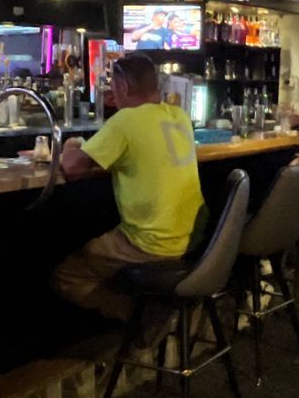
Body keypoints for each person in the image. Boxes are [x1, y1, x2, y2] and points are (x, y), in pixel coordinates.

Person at [51, 53, 202, 324]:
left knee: (66, 275)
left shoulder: (125, 122)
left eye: (113, 85)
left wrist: (72, 144)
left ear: (121, 87)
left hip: (147, 243)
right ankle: (146, 312)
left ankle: (143, 317)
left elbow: (72, 168)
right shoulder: (179, 116)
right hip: (191, 236)